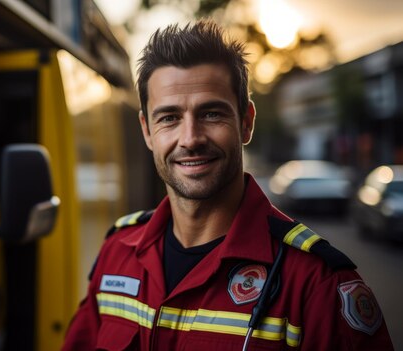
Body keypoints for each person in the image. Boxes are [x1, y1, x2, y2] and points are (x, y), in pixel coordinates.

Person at [62, 20, 393, 350]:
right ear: (147, 130)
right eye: (169, 118)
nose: (190, 139)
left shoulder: (316, 283)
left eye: (211, 114)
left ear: (246, 122)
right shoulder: (117, 253)